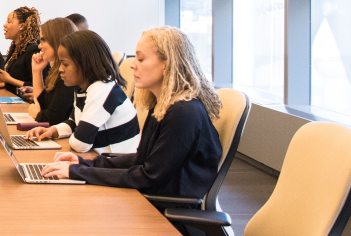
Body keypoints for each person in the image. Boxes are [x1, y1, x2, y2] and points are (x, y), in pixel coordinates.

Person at [39, 27, 223, 203]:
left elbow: (149, 176)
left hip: (164, 208)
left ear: (166, 65)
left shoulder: (183, 112)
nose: (133, 64)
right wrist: (84, 164)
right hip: (152, 196)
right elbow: (142, 159)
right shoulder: (163, 105)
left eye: (141, 59)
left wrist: (77, 172)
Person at [28, 30, 140, 153]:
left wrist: (76, 135)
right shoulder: (83, 88)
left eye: (65, 64)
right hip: (101, 158)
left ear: (85, 63)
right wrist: (52, 131)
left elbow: (80, 144)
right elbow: (74, 122)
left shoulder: (101, 89)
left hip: (116, 161)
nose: (60, 69)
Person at [19, 17, 79, 125]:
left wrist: (37, 114)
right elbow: (42, 104)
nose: (39, 46)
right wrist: (36, 71)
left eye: (43, 40)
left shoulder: (68, 74)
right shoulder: (56, 70)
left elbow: (52, 118)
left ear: (56, 40)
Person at [0, 6, 41, 95]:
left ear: (22, 26)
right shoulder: (16, 47)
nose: (4, 25)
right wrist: (5, 82)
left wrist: (9, 80)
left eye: (9, 22)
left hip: (24, 100)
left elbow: (36, 85)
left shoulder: (32, 49)